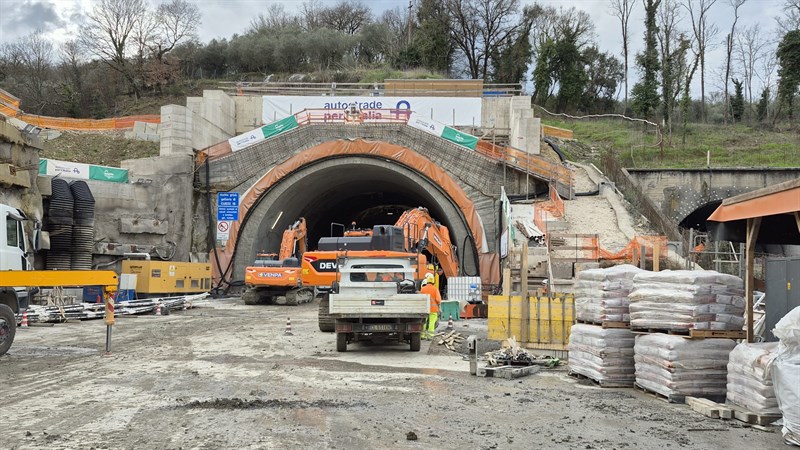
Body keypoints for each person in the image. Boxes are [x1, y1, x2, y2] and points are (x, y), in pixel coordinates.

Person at [420, 272, 441, 340]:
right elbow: (438, 300)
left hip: (425, 309)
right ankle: (429, 336)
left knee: (424, 322)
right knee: (431, 322)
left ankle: (422, 335)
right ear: (433, 282)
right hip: (433, 309)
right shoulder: (435, 289)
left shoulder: (423, 289)